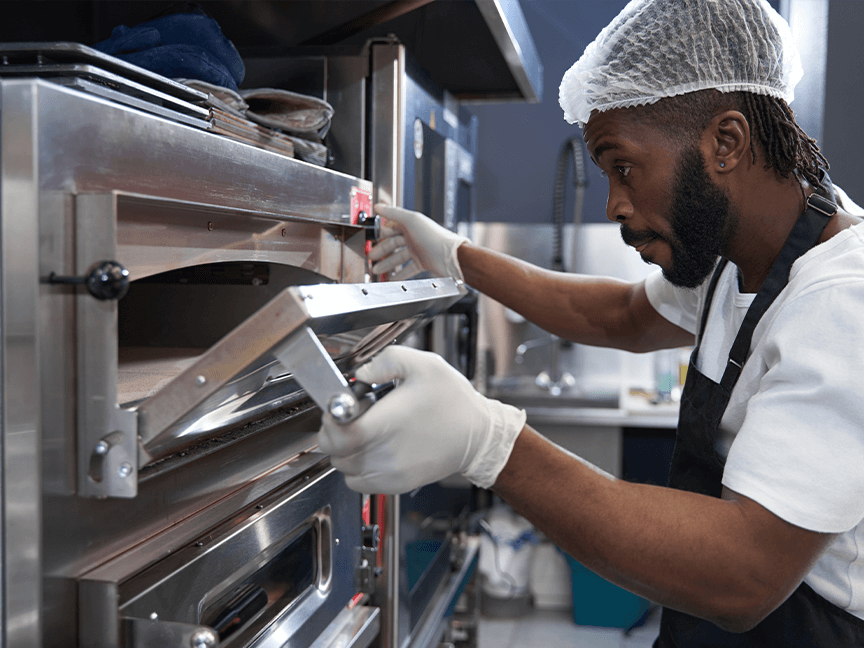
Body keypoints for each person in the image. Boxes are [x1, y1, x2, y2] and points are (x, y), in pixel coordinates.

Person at [317, 0, 864, 644]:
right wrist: (457, 256)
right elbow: (619, 316)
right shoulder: (739, 258)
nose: (613, 204)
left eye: (624, 166)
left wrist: (489, 443)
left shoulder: (840, 301)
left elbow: (742, 575)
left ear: (727, 142)